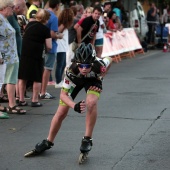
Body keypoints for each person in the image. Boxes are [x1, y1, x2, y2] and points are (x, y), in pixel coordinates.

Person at [25, 43, 112, 157]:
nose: (84, 69)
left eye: (87, 66)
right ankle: (49, 141)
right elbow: (63, 95)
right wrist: (74, 105)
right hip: (75, 81)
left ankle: (87, 139)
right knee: (61, 111)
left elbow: (110, 59)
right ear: (76, 63)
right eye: (81, 66)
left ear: (92, 63)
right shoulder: (71, 70)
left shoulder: (99, 64)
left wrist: (101, 78)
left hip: (93, 81)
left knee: (91, 103)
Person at [18, 9, 52, 107]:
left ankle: (21, 99)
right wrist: (47, 50)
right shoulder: (45, 29)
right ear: (46, 19)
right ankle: (34, 100)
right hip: (36, 54)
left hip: (25, 52)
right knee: (36, 78)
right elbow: (49, 46)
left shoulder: (29, 24)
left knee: (23, 77)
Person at [0, 0, 26, 115]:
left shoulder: (4, 19)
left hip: (9, 55)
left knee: (6, 80)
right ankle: (12, 104)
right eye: (11, 7)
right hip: (6, 56)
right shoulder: (1, 20)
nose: (13, 9)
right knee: (10, 80)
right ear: (4, 8)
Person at [39, 0, 63, 100]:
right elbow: (52, 34)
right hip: (50, 46)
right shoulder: (53, 17)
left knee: (41, 68)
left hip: (39, 44)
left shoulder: (41, 13)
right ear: (57, 6)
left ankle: (39, 91)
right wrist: (59, 35)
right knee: (47, 69)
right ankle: (43, 92)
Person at [7, 0, 27, 105]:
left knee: (11, 77)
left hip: (13, 52)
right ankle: (12, 103)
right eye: (24, 8)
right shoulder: (9, 17)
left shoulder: (13, 17)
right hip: (9, 53)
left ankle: (11, 100)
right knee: (11, 78)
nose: (25, 11)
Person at [55, 8, 74, 88]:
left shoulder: (63, 24)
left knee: (62, 65)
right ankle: (58, 81)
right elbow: (57, 32)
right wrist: (60, 35)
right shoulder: (62, 25)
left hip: (62, 47)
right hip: (60, 47)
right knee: (60, 65)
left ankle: (59, 80)